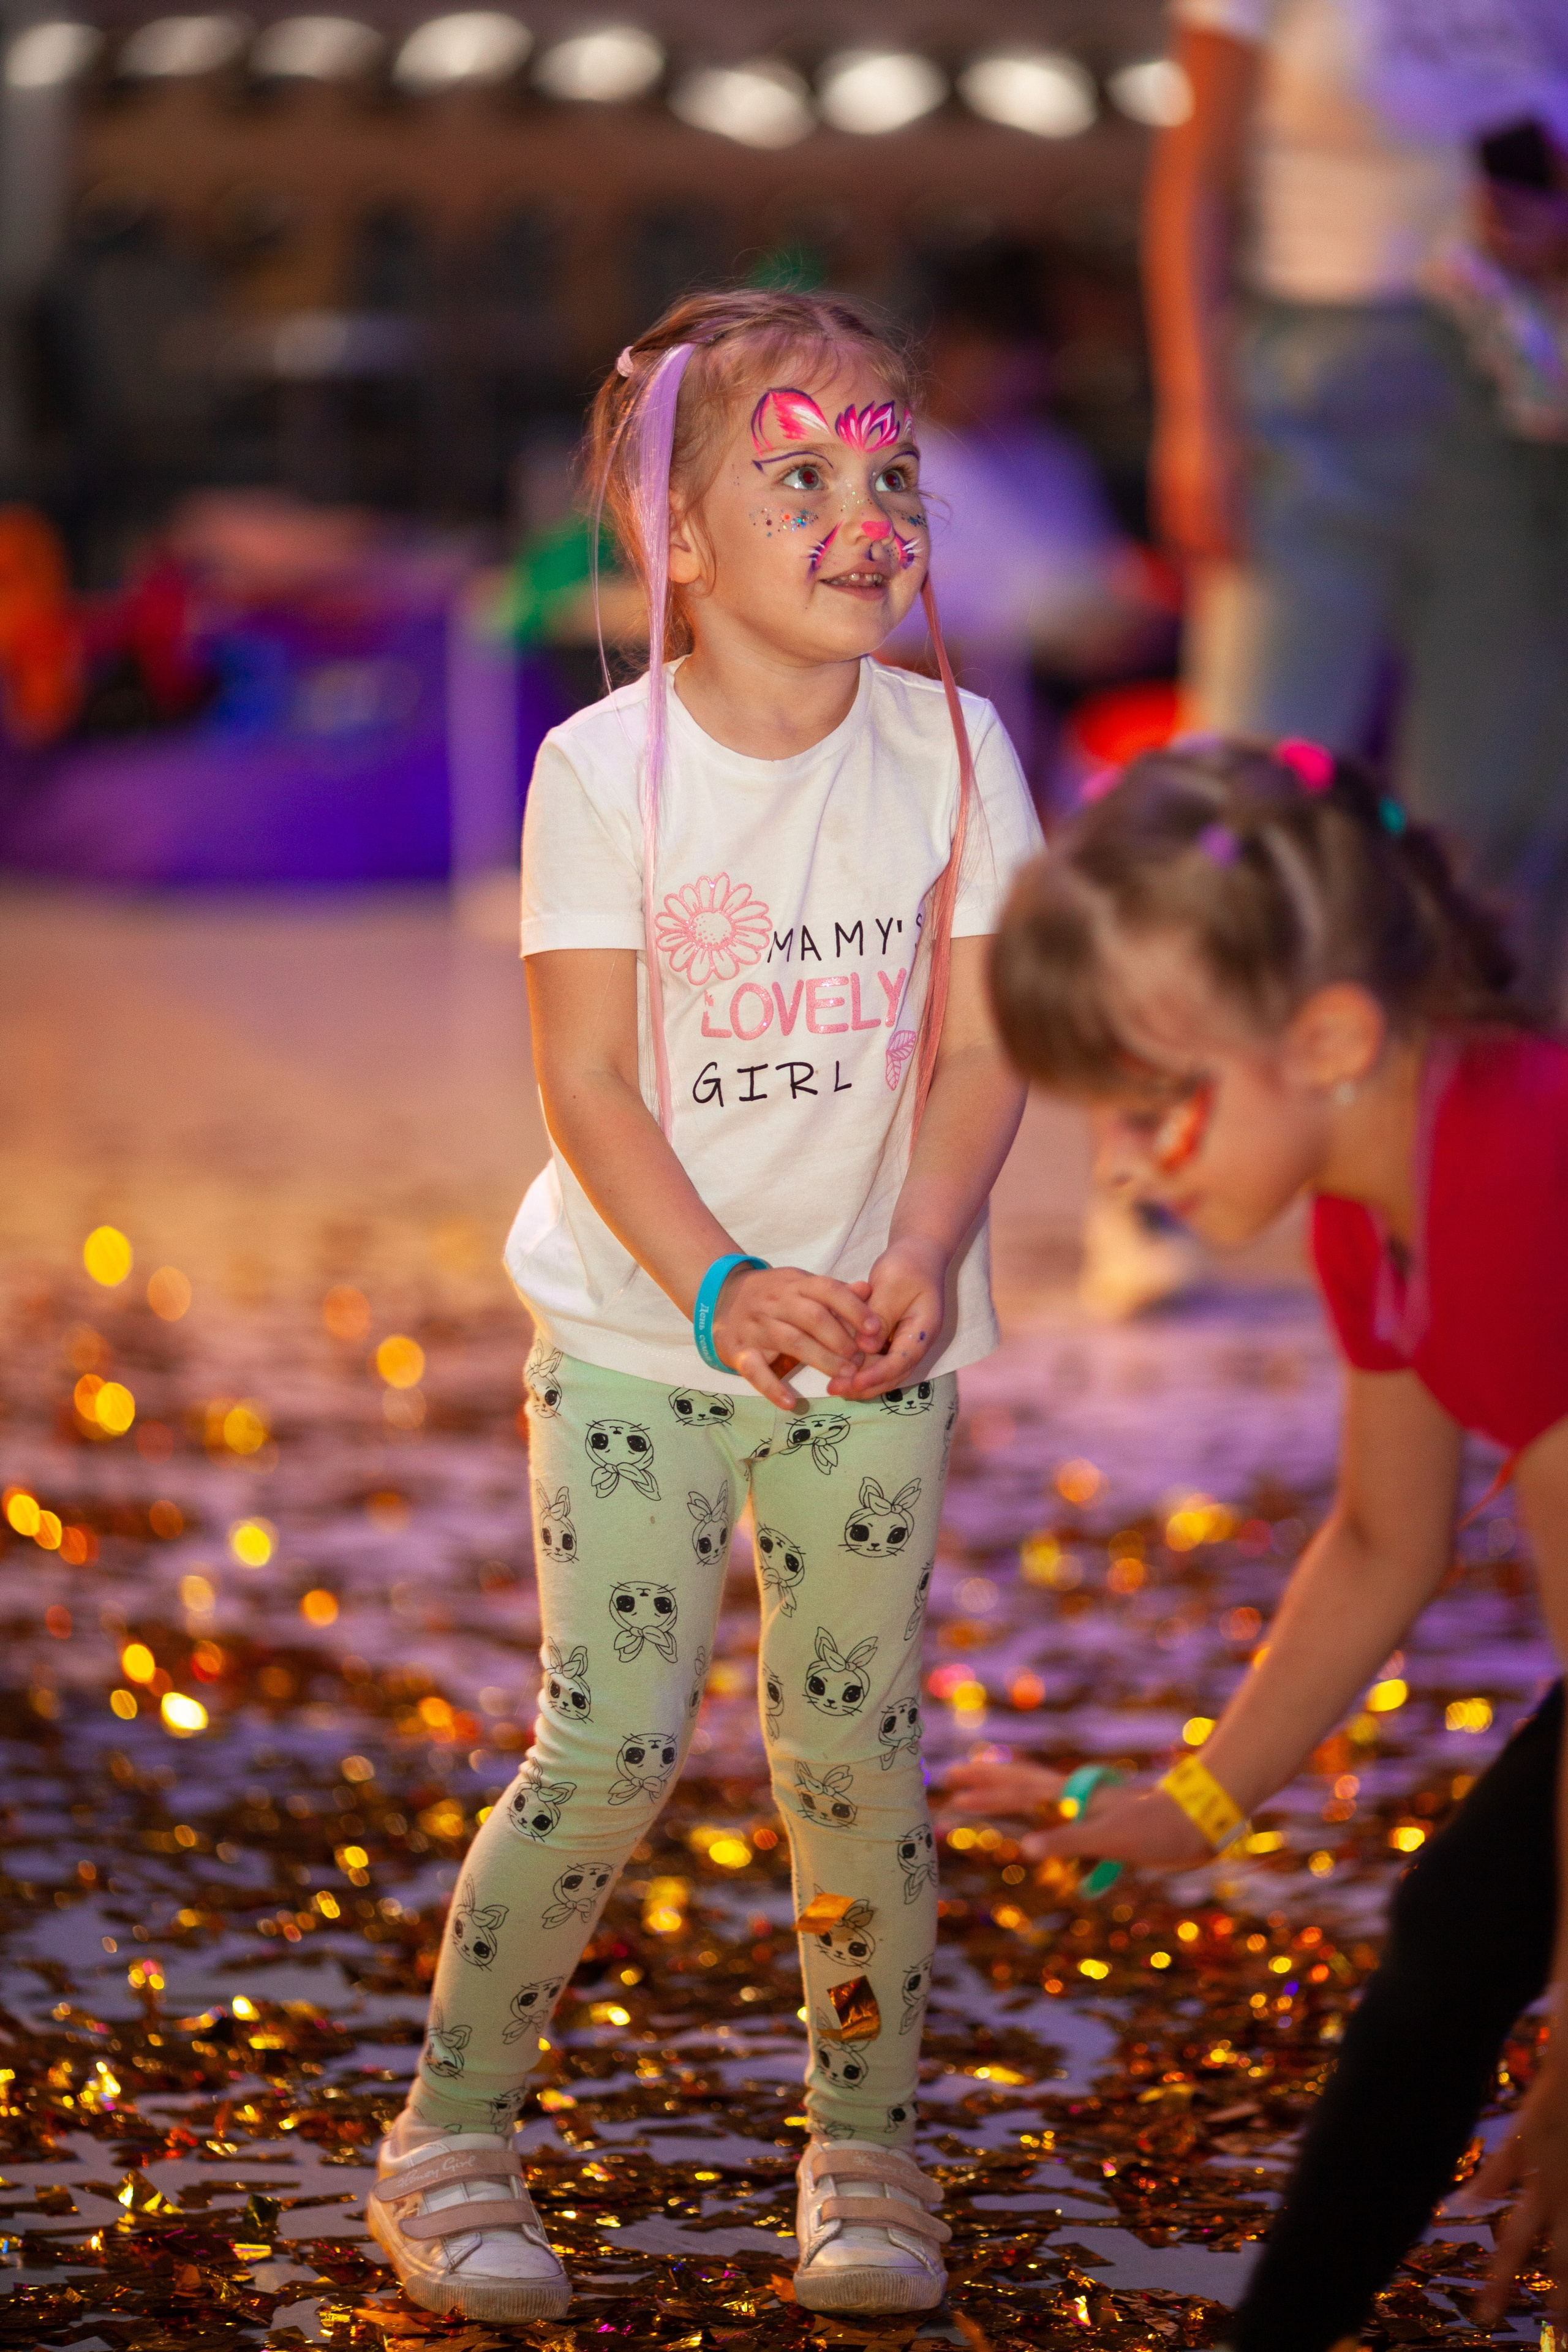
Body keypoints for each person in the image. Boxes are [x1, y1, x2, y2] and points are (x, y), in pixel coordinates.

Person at [363, 287, 1042, 2324]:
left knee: (854, 1750)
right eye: (802, 474)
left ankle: (864, 2145)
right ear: (672, 534)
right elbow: (587, 1081)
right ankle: (452, 2131)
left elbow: (989, 1049)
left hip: (879, 1345)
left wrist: (915, 1255)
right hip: (645, 1345)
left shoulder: (962, 749)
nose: (866, 514)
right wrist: (726, 1281)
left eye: (892, 471)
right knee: (607, 1742)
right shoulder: (603, 770)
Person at [951, 733, 1568, 2351]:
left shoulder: (1513, 1188)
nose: (1124, 1164)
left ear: (1334, 1034)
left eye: (1159, 1106)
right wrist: (1198, 1804)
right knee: (1455, 1930)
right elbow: (1383, 1536)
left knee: (1476, 1928)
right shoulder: (1387, 1191)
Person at [1148, 1, 1568, 987]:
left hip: (1514, 397)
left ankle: (1465, 1110)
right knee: (1247, 783)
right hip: (1312, 380)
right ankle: (1202, 1089)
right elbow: (1194, 182)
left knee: (1495, 808)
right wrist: (1194, 415)